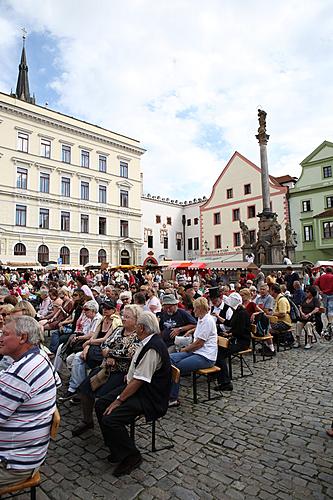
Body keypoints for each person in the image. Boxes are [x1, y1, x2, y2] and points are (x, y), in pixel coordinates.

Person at [95, 312, 171, 477]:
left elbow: (140, 380)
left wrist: (119, 400)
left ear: (142, 328)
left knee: (111, 418)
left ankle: (131, 456)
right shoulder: (146, 341)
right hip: (136, 387)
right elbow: (136, 371)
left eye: (137, 325)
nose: (134, 327)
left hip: (149, 396)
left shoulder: (153, 347)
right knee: (100, 404)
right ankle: (116, 446)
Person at [0, 316, 59, 487]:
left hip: (13, 463)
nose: (1, 338)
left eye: (5, 334)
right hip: (28, 453)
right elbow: (58, 381)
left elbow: (16, 384)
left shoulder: (19, 375)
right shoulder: (40, 354)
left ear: (23, 338)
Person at [71, 304, 140, 437]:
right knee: (85, 388)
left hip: (122, 373)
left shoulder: (138, 334)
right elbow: (105, 343)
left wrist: (111, 354)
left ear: (137, 320)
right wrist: (108, 354)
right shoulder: (119, 329)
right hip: (106, 368)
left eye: (127, 317)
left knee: (102, 397)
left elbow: (130, 353)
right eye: (123, 316)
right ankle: (87, 420)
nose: (124, 319)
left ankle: (109, 429)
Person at [169, 297, 217, 406]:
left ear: (201, 308)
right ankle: (169, 393)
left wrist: (185, 349)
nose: (193, 311)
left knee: (176, 367)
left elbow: (199, 343)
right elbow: (198, 332)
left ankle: (172, 398)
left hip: (206, 356)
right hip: (197, 352)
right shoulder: (201, 318)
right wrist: (191, 330)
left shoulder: (207, 321)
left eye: (195, 308)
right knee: (170, 358)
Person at [215, 292, 251, 392]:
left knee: (220, 354)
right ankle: (218, 375)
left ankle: (225, 382)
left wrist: (230, 334)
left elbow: (240, 330)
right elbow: (230, 323)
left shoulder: (243, 313)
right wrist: (219, 318)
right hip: (236, 339)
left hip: (242, 342)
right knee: (218, 349)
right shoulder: (237, 311)